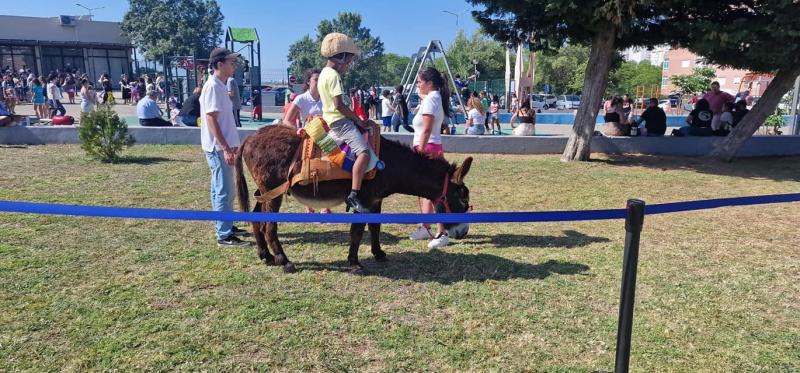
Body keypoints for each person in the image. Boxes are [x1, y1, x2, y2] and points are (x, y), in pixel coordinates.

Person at [200, 47, 249, 246]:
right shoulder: (213, 86)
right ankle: (224, 234)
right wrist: (226, 148)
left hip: (221, 147)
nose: (234, 66)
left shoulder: (218, 85)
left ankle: (225, 223)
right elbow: (212, 120)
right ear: (220, 64)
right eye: (231, 62)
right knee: (224, 190)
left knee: (222, 188)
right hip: (219, 149)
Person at [318, 32, 372, 213]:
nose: (348, 65)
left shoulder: (323, 73)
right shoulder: (333, 75)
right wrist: (358, 120)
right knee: (364, 153)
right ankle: (354, 194)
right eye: (348, 61)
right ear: (340, 58)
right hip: (341, 122)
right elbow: (338, 104)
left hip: (331, 121)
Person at [408, 66, 452, 249]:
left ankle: (442, 232)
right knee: (425, 191)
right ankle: (426, 227)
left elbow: (426, 129)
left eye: (420, 82)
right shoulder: (432, 98)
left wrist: (420, 151)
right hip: (429, 146)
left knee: (434, 192)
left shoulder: (431, 101)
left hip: (428, 148)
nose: (417, 85)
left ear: (430, 83)